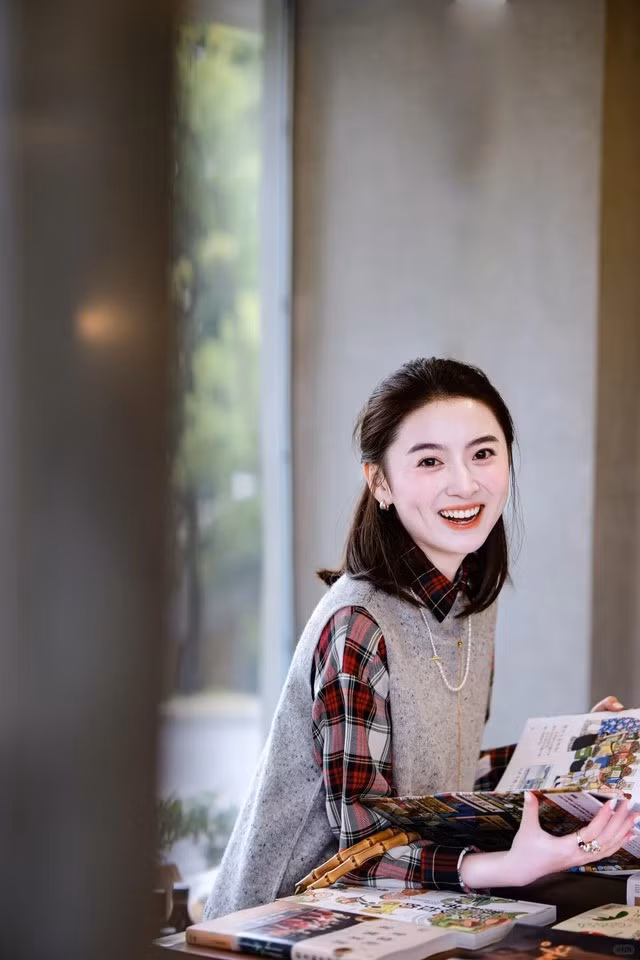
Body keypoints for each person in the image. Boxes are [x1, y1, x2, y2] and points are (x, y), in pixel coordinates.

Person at [204, 357, 637, 919]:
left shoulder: (469, 600)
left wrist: (576, 756)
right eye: (430, 460)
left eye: (483, 453)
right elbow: (358, 847)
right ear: (380, 482)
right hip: (284, 921)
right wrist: (505, 866)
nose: (465, 483)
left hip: (404, 915)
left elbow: (434, 783)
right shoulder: (357, 626)